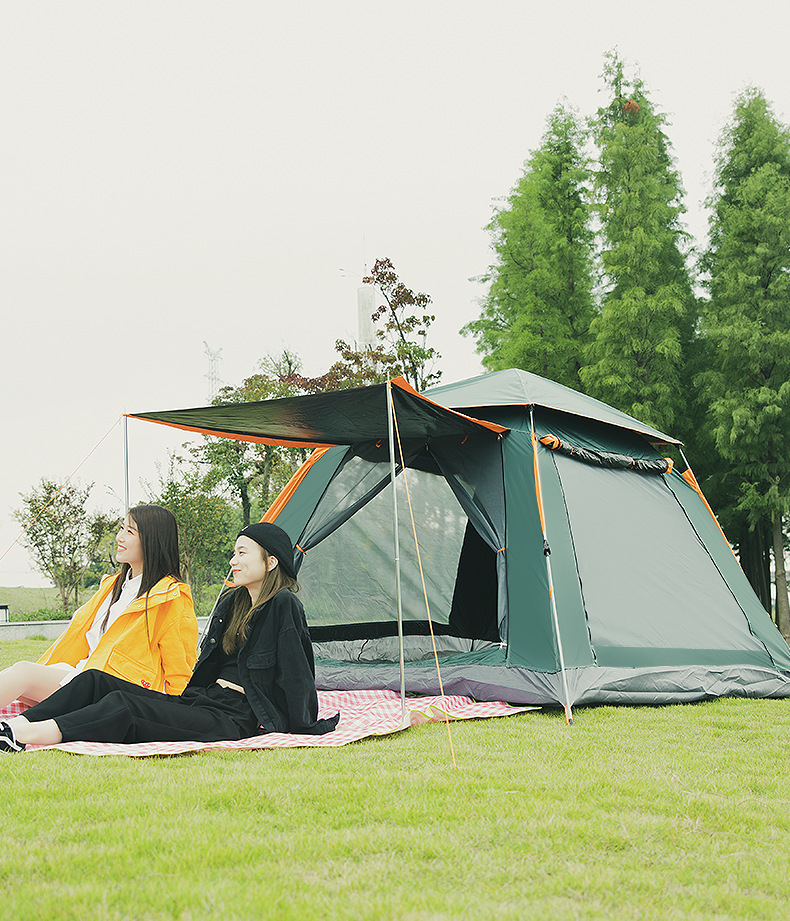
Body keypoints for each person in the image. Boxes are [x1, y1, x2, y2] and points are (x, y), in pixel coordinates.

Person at [0, 523, 338, 751]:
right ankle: (14, 725)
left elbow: (297, 672)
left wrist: (303, 726)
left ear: (271, 561)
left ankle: (23, 735)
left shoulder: (283, 604)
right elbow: (207, 663)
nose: (233, 561)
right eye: (233, 553)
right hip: (203, 698)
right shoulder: (232, 602)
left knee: (124, 706)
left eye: (242, 553)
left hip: (235, 716)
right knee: (95, 680)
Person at [0, 504, 197, 710]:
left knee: (23, 674)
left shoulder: (171, 596)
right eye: (121, 528)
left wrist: (177, 712)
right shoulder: (113, 586)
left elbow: (180, 668)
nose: (120, 537)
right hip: (84, 676)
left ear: (152, 541)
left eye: (130, 532)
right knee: (22, 686)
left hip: (118, 692)